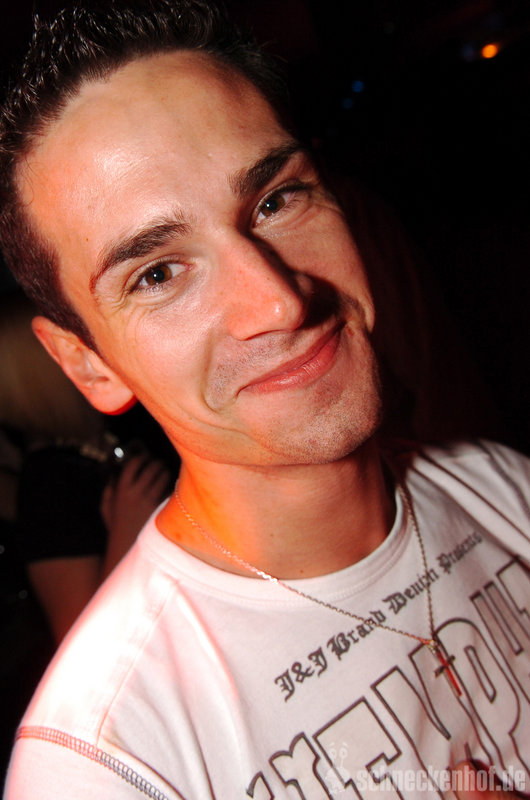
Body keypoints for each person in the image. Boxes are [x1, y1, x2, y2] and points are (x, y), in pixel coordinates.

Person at [0, 1, 528, 798]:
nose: (277, 302)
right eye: (158, 273)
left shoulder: (500, 485)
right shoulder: (106, 762)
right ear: (88, 365)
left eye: (276, 201)